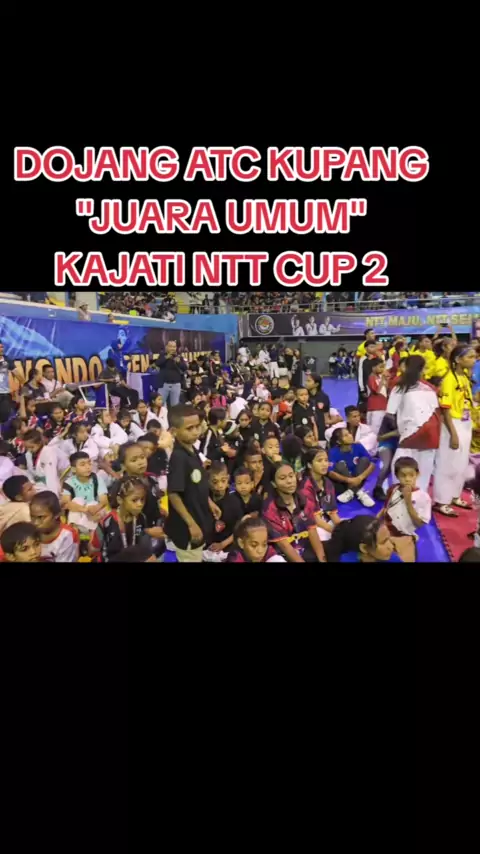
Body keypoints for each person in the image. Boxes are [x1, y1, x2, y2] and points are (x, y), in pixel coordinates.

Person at [165, 405, 219, 562]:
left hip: (199, 516)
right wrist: (191, 524)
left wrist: (209, 502)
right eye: (189, 428)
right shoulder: (178, 457)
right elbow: (173, 494)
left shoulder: (192, 450)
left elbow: (197, 484)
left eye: (197, 426)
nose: (195, 432)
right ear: (174, 431)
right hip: (187, 528)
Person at [432, 345, 477, 517]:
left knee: (461, 463)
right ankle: (441, 501)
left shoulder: (464, 376)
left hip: (465, 422)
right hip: (453, 425)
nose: (474, 360)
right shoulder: (448, 380)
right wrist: (453, 434)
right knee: (447, 464)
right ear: (458, 359)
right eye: (470, 357)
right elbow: (445, 409)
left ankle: (454, 496)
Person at [386, 355, 441, 492]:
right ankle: (420, 498)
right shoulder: (430, 388)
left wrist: (396, 431)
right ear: (422, 369)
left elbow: (390, 414)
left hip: (410, 433)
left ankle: (401, 496)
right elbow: (437, 413)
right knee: (424, 470)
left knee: (400, 467)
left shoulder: (400, 387)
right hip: (432, 434)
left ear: (406, 367)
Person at [262, 463, 326, 563]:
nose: (289, 481)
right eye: (282, 478)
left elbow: (312, 531)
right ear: (274, 483)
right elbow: (284, 545)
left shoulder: (304, 498)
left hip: (303, 546)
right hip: (281, 554)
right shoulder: (269, 508)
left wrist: (322, 560)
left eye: (291, 476)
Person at [378, 456, 432, 562]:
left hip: (404, 536)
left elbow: (420, 523)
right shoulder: (393, 489)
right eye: (403, 475)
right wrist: (375, 521)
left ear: (417, 474)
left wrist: (408, 501)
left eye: (411, 475)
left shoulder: (423, 497)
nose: (407, 479)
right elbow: (385, 508)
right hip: (386, 533)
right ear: (396, 475)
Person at [91, 477, 150, 562]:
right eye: (134, 500)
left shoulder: (142, 518)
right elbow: (94, 547)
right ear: (120, 500)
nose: (140, 504)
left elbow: (143, 547)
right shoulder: (106, 521)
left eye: (142, 499)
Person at [328, 427, 375, 507]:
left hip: (359, 478)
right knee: (340, 465)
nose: (350, 436)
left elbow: (372, 464)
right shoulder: (333, 452)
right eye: (346, 435)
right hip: (344, 481)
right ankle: (359, 492)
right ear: (339, 441)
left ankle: (351, 491)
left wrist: (360, 478)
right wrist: (349, 480)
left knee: (364, 460)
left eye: (349, 433)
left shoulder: (358, 446)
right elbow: (330, 472)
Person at [62, 451, 108, 533]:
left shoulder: (97, 479)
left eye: (89, 463)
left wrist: (96, 507)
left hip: (95, 511)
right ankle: (76, 532)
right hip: (79, 511)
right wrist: (85, 509)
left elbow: (104, 501)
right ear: (73, 469)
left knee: (93, 503)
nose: (88, 467)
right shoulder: (68, 482)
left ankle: (90, 534)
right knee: (77, 500)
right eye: (83, 464)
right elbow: (67, 503)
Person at [301, 449, 341, 543]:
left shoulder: (328, 482)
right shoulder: (304, 486)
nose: (324, 464)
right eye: (319, 461)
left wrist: (341, 528)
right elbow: (314, 518)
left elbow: (332, 511)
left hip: (324, 519)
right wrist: (335, 532)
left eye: (326, 460)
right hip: (309, 524)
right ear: (309, 465)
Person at [324, 515, 403, 563]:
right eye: (383, 542)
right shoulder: (345, 559)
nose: (391, 546)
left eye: (389, 538)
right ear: (364, 548)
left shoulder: (391, 557)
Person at [30, 491, 80, 561]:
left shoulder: (67, 535)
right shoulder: (29, 532)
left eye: (41, 517)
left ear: (56, 515)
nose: (35, 522)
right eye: (32, 517)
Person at [23, 429, 62, 496]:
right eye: (27, 448)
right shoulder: (28, 454)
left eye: (31, 447)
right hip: (39, 484)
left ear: (39, 443)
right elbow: (30, 472)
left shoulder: (49, 452)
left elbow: (51, 476)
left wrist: (54, 495)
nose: (29, 450)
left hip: (54, 483)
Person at [155, 341, 186, 407]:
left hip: (176, 385)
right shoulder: (162, 355)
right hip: (164, 385)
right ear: (167, 347)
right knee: (160, 405)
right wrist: (166, 357)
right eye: (170, 346)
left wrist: (179, 362)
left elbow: (184, 368)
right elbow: (157, 363)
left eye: (174, 347)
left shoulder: (179, 356)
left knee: (175, 406)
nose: (172, 348)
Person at [0, 341, 23, 424]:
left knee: (4, 417)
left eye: (2, 347)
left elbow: (18, 376)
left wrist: (23, 386)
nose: (1, 349)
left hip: (4, 394)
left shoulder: (7, 360)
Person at [305, 374, 331, 443]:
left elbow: (326, 414)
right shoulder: (304, 396)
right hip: (306, 430)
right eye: (306, 381)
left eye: (309, 381)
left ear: (316, 384)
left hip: (320, 431)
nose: (306, 383)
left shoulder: (324, 397)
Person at [366, 358, 389, 435]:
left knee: (373, 429)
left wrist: (385, 380)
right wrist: (382, 380)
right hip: (376, 407)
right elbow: (376, 391)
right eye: (380, 367)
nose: (382, 369)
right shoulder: (372, 377)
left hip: (381, 405)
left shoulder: (379, 377)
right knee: (374, 430)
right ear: (373, 367)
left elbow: (386, 390)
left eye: (383, 367)